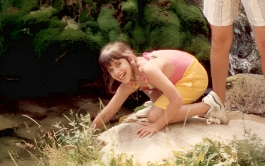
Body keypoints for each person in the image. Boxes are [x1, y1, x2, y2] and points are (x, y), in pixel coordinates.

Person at [90, 41, 229, 137]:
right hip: (177, 78)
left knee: (154, 116)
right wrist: (88, 133)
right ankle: (159, 105)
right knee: (149, 92)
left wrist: (156, 125)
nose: (116, 72)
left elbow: (176, 100)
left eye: (118, 64)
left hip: (193, 77)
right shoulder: (130, 79)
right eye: (111, 70)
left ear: (130, 58)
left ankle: (209, 106)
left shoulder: (148, 68)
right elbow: (109, 111)